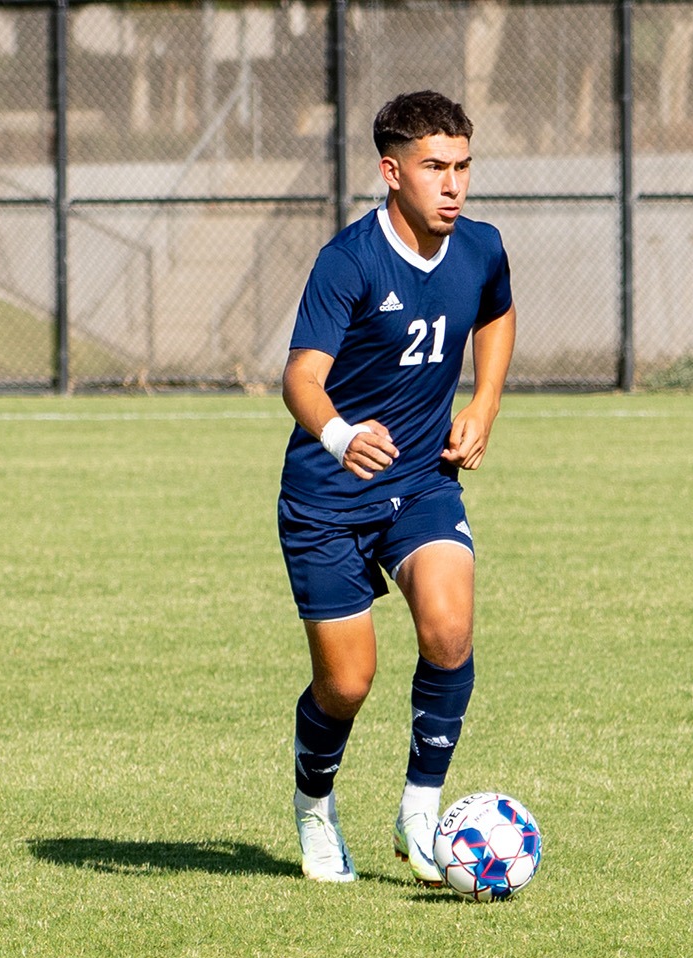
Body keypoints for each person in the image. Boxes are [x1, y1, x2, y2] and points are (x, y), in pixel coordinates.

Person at [276, 91, 517, 884]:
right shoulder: (348, 261)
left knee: (450, 633)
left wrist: (482, 403)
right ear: (391, 172)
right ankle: (315, 805)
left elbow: (497, 313)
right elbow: (300, 378)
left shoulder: (481, 249)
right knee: (347, 683)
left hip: (421, 483)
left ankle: (420, 806)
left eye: (463, 167)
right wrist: (341, 435)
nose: (453, 185)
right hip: (327, 497)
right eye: (434, 168)